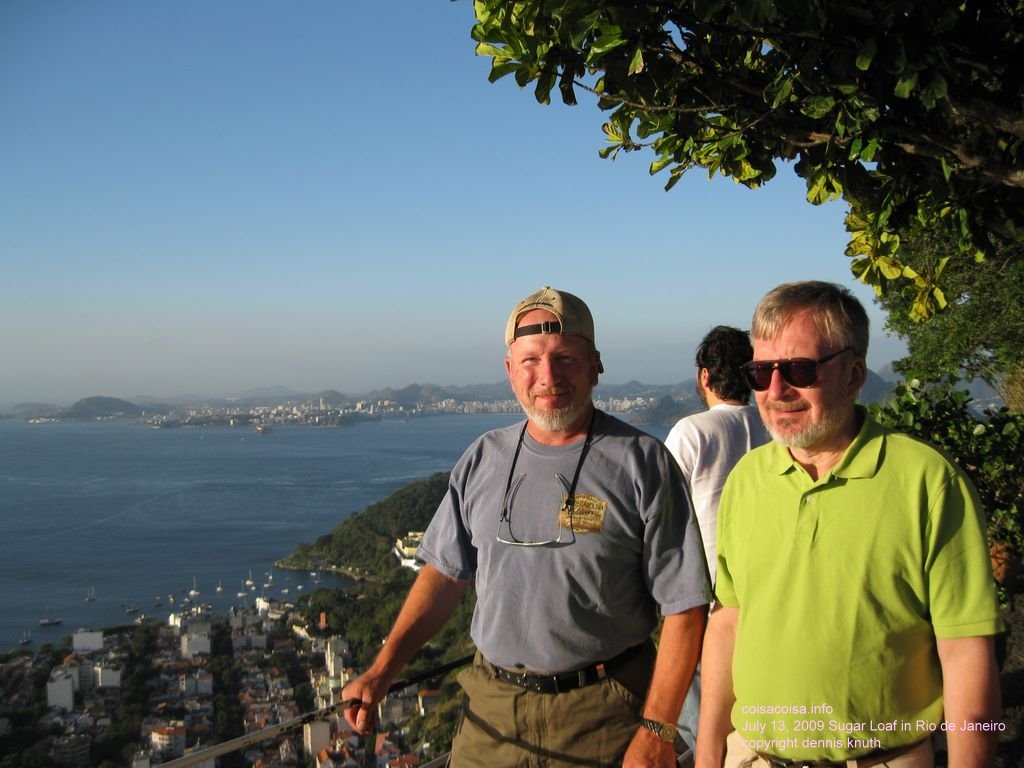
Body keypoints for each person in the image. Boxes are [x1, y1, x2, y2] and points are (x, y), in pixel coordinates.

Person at [342, 286, 711, 767]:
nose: (549, 376)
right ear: (509, 370)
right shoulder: (483, 458)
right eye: (531, 359)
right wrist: (382, 669)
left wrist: (658, 729)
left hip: (605, 714)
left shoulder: (642, 463)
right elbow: (444, 576)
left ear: (596, 364)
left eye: (566, 358)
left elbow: (684, 608)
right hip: (491, 713)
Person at [697, 281, 1004, 768]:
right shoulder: (746, 481)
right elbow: (729, 622)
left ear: (854, 373)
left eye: (799, 369)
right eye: (760, 372)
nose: (776, 391)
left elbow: (967, 651)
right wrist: (709, 754)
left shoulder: (926, 482)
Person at [663, 326, 770, 754]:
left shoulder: (692, 432)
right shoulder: (772, 425)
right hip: (765, 594)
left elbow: (657, 509)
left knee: (700, 722)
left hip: (705, 600)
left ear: (704, 376)